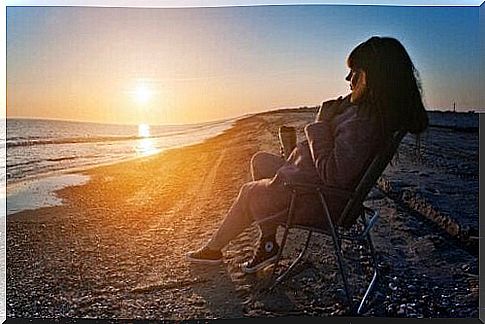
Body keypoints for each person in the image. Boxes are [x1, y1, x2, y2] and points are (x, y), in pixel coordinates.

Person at [186, 36, 428, 273]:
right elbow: (333, 158)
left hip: (317, 199)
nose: (348, 79)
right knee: (261, 161)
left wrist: (321, 122)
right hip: (310, 186)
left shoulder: (363, 122)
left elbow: (333, 175)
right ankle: (268, 244)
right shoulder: (367, 114)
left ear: (367, 77)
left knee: (248, 191)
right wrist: (304, 147)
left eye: (353, 71)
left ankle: (213, 250)